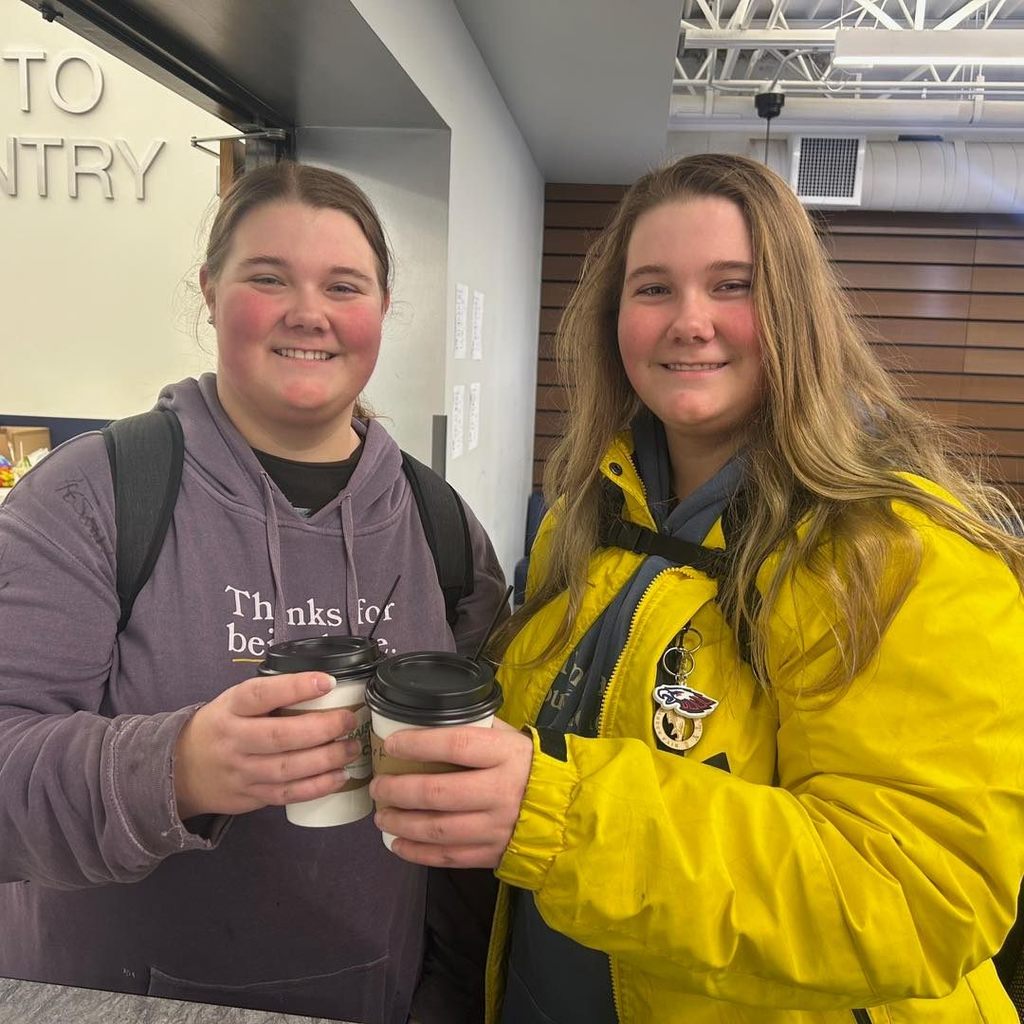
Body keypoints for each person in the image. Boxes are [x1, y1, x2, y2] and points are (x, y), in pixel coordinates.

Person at [368, 153, 1024, 1023]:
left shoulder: (899, 556)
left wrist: (559, 814)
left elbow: (917, 898)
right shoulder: (589, 517)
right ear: (614, 320)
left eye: (732, 286)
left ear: (796, 314)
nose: (690, 321)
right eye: (652, 289)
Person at [0, 161, 507, 1024]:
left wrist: (449, 990)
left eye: (342, 285)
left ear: (381, 309)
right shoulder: (91, 496)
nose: (306, 312)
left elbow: (479, 813)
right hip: (114, 1000)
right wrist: (180, 766)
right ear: (209, 291)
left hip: (371, 995)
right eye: (268, 278)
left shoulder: (441, 526)